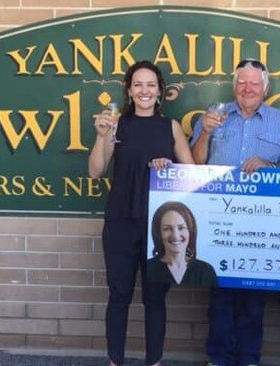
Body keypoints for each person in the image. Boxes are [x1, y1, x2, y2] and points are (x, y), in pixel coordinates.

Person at [190, 58, 280, 366]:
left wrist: (269, 165)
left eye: (254, 83)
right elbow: (195, 164)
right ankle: (219, 358)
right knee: (219, 297)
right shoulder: (213, 117)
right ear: (233, 86)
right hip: (217, 220)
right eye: (241, 82)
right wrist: (205, 134)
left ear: (265, 87)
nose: (247, 88)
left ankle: (249, 358)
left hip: (261, 223)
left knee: (252, 299)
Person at [88, 60, 195, 366]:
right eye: (138, 85)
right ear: (129, 90)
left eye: (151, 85)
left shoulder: (170, 127)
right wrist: (99, 136)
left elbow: (192, 175)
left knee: (155, 298)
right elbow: (95, 171)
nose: (144, 91)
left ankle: (154, 361)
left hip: (159, 226)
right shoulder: (115, 125)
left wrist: (169, 167)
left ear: (160, 91)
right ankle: (114, 361)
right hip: (120, 222)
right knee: (119, 295)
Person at [147, 201, 217, 287]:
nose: (175, 236)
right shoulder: (148, 268)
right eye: (167, 229)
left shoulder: (206, 271)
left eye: (181, 228)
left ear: (190, 231)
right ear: (158, 233)